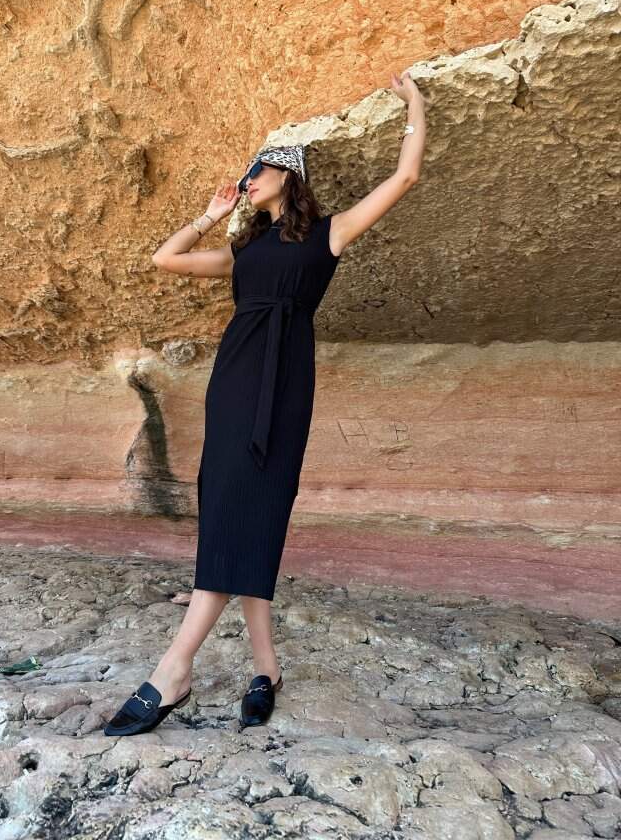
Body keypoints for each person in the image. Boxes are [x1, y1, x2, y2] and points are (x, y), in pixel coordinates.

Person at [104, 70, 427, 737]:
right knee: (229, 505)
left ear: (288, 175)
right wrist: (211, 214)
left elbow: (405, 178)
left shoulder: (328, 235)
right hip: (233, 383)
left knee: (255, 510)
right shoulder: (243, 248)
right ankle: (266, 669)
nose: (248, 179)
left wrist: (415, 105)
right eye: (247, 173)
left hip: (283, 386)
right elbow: (165, 259)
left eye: (257, 170)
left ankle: (173, 670)